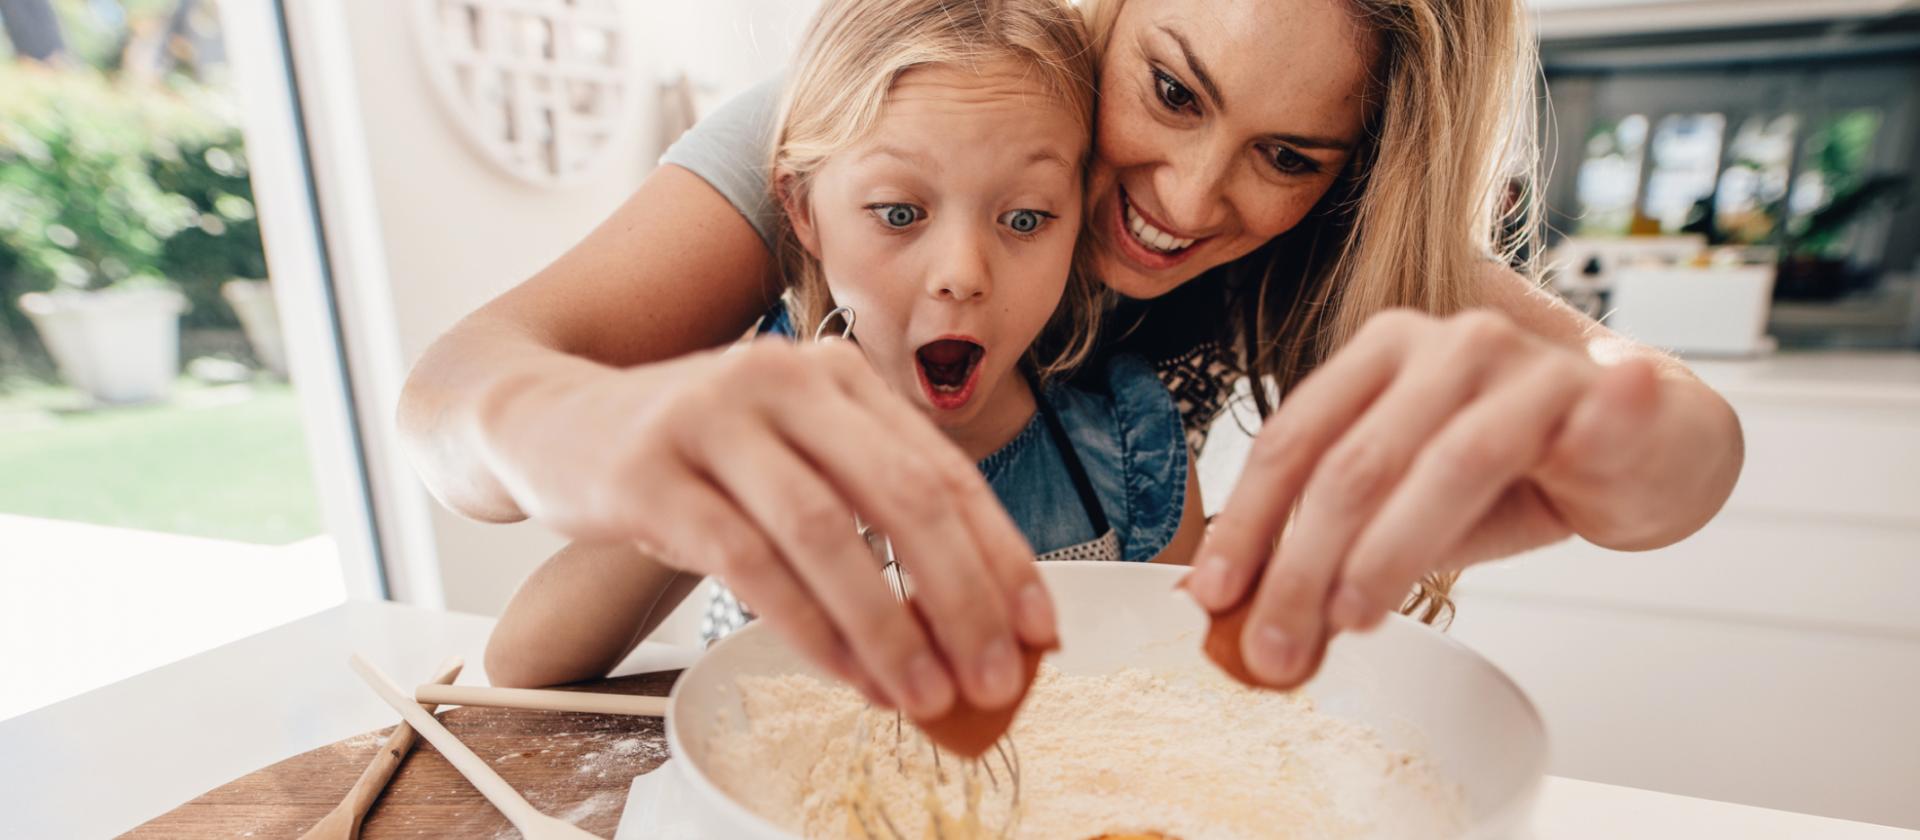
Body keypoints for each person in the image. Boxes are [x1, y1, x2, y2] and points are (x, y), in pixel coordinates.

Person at [399, 0, 1744, 717]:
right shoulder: (887, 118)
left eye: (1287, 156)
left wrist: (1628, 445)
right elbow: (457, 399)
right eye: (1171, 89)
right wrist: (593, 442)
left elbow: (1681, 437)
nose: (1191, 196)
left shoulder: (1302, 264)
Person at [480, 0, 1203, 710]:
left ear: (1078, 221)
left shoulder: (1129, 450)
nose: (962, 272)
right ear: (802, 209)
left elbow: (1178, 698)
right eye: (899, 213)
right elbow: (523, 664)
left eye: (1024, 218)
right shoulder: (754, 418)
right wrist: (713, 465)